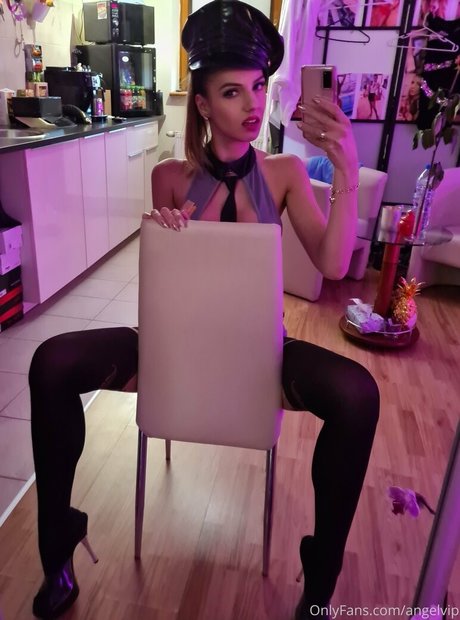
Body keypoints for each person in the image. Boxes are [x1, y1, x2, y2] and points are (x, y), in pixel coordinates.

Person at [28, 2, 380, 619]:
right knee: (51, 362)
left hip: (261, 359)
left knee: (358, 396)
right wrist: (164, 232)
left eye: (258, 87)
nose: (252, 104)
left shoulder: (285, 174)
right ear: (203, 104)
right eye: (231, 91)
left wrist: (347, 164)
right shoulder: (170, 177)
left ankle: (321, 581)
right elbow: (164, 284)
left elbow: (331, 263)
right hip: (171, 352)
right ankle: (57, 547)